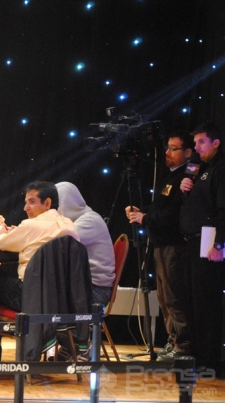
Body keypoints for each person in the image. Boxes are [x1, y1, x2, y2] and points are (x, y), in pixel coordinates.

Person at [124, 130, 194, 362]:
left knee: (174, 297)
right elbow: (159, 209)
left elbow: (173, 215)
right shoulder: (168, 176)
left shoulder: (187, 178)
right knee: (164, 298)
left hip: (174, 244)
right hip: (160, 244)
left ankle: (183, 345)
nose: (167, 152)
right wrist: (141, 213)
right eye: (167, 148)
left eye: (174, 149)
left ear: (188, 152)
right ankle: (172, 341)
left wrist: (145, 219)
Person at [0, 181, 80, 312]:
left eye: (31, 202)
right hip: (65, 301)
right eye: (26, 202)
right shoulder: (69, 225)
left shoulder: (29, 226)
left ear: (47, 203)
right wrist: (19, 232)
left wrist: (3, 233)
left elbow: (1, 243)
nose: (25, 208)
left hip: (33, 299)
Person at [179, 122, 225, 372]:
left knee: (207, 303)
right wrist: (185, 187)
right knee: (192, 301)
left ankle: (209, 359)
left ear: (216, 143)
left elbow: (222, 209)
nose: (196, 147)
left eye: (201, 142)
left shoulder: (220, 168)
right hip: (191, 241)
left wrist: (219, 243)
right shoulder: (197, 168)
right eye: (195, 142)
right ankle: (196, 355)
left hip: (209, 241)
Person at [57, 181, 115, 306]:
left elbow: (55, 243)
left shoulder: (89, 221)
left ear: (66, 203)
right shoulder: (77, 219)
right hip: (83, 286)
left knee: (38, 294)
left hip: (95, 291)